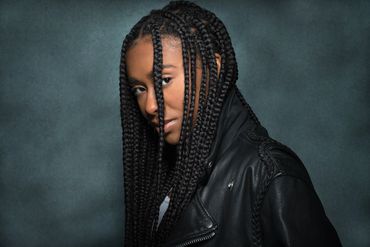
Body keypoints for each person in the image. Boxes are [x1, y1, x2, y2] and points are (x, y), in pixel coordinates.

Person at [119, 1, 342, 246]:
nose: (150, 105)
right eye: (139, 89)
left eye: (164, 80)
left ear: (213, 67)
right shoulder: (166, 174)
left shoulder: (269, 174)